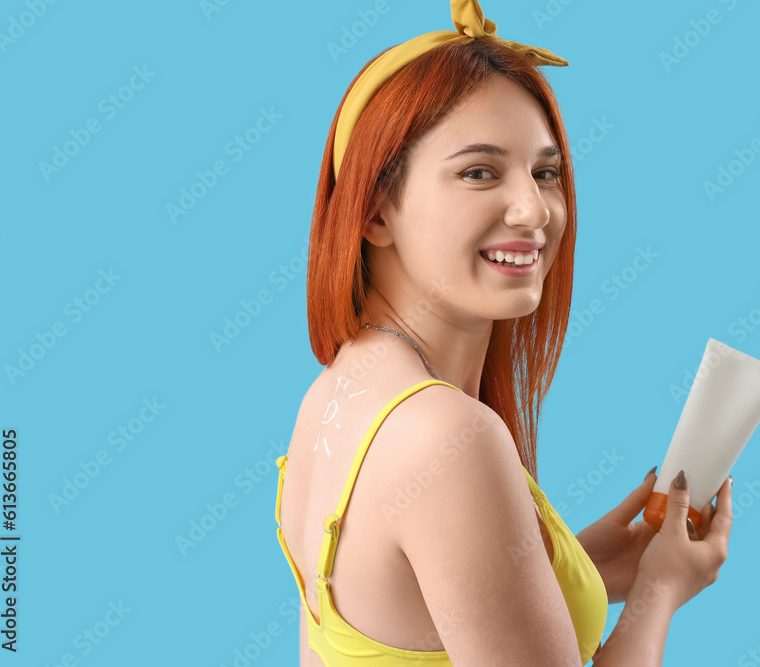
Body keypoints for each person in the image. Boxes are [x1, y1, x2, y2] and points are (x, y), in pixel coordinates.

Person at [273, 1, 733, 665]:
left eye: (547, 172)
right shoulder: (449, 439)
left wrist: (579, 564)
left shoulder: (339, 392)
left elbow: (419, 608)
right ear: (375, 211)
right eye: (479, 172)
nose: (534, 209)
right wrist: (660, 590)